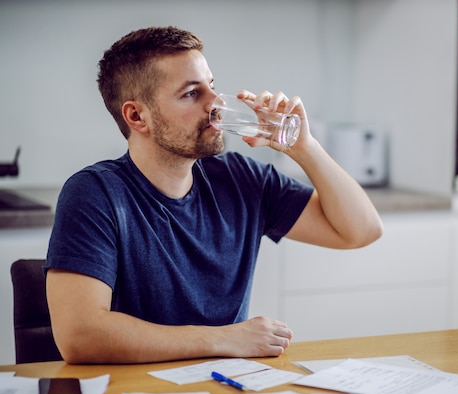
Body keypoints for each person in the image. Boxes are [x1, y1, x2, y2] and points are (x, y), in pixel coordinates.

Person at [45, 26, 383, 364]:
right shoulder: (95, 193)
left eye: (212, 86)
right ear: (137, 116)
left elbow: (361, 231)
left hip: (227, 392)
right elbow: (81, 336)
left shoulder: (239, 178)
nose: (217, 103)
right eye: (192, 93)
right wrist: (225, 338)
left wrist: (304, 148)